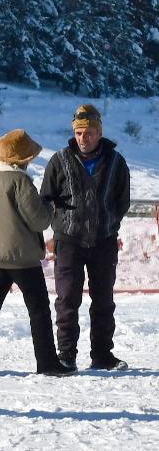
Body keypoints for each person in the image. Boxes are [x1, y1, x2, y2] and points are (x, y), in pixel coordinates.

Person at [0, 129, 73, 376]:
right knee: (39, 309)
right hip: (22, 258)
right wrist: (50, 207)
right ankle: (47, 363)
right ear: (21, 158)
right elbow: (39, 220)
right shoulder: (20, 181)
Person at [39, 104, 131, 371]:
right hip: (69, 241)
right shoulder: (60, 160)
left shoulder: (116, 161)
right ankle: (66, 354)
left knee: (103, 300)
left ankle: (102, 355)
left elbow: (121, 200)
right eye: (79, 133)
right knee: (67, 299)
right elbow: (46, 198)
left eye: (89, 132)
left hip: (103, 241)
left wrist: (109, 222)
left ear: (99, 132)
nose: (84, 138)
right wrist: (60, 224)